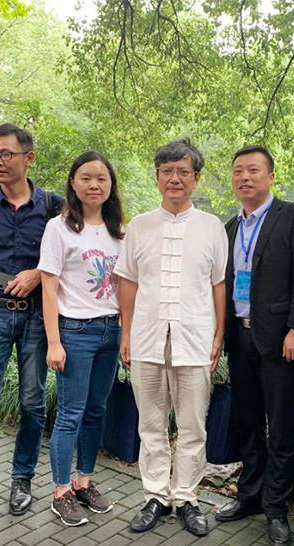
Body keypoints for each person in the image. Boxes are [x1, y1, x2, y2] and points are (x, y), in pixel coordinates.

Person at [116, 139, 227, 538]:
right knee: (151, 424)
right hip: (146, 338)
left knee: (193, 425)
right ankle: (155, 495)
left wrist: (219, 334)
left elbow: (218, 284)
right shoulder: (140, 226)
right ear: (157, 176)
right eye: (167, 171)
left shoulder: (212, 227)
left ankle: (186, 498)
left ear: (196, 178)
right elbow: (127, 282)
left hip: (194, 338)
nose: (174, 179)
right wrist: (126, 332)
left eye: (183, 171)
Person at [0, 123, 64, 521]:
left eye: (6, 154)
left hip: (37, 316)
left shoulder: (53, 206)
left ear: (28, 158)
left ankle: (22, 480)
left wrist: (37, 273)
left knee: (32, 404)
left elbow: (66, 259)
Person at [216, 145, 294, 546]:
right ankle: (250, 496)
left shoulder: (293, 216)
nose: (245, 177)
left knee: (281, 427)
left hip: (280, 340)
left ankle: (277, 509)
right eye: (238, 171)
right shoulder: (229, 227)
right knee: (248, 423)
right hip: (239, 336)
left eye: (253, 170)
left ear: (270, 176)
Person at [37, 151, 124, 526]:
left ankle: (83, 482)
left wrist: (126, 334)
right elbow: (48, 287)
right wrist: (54, 342)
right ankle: (61, 492)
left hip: (110, 329)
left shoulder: (119, 231)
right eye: (86, 177)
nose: (94, 185)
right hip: (75, 332)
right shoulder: (59, 228)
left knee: (95, 411)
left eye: (101, 178)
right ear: (73, 183)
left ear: (110, 185)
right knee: (70, 414)